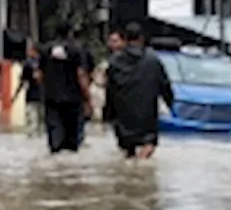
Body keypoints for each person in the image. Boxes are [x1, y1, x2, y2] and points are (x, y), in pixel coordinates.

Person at [106, 21, 174, 159]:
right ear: (141, 38)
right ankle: (140, 167)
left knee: (127, 148)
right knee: (149, 144)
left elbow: (109, 89)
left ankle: (130, 171)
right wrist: (170, 103)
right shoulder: (153, 59)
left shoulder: (114, 61)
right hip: (146, 113)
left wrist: (108, 113)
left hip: (123, 113)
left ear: (125, 39)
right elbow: (164, 85)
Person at [38, 22, 92, 154]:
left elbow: (39, 75)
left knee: (55, 139)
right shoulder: (77, 50)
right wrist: (88, 99)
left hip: (52, 99)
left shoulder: (46, 49)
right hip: (73, 100)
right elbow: (81, 76)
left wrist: (46, 90)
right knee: (73, 142)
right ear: (70, 33)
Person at [12, 45, 44, 137]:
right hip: (44, 96)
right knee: (41, 121)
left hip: (32, 96)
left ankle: (32, 136)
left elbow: (22, 81)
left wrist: (15, 96)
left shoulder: (28, 64)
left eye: (29, 50)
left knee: (32, 120)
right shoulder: (46, 63)